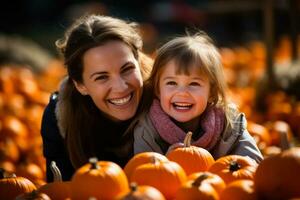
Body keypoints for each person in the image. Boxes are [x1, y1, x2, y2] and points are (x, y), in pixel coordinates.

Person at [41, 14, 153, 182]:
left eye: (127, 69)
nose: (121, 87)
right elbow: (60, 190)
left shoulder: (168, 97)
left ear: (137, 61)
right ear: (80, 85)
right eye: (102, 77)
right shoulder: (59, 119)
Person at [133, 32, 263, 163]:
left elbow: (254, 165)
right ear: (158, 89)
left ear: (212, 92)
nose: (182, 92)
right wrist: (166, 163)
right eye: (171, 83)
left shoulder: (229, 124)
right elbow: (142, 174)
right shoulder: (147, 130)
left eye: (194, 83)